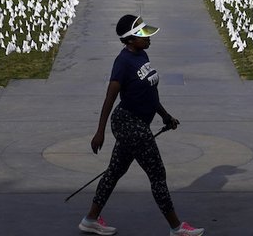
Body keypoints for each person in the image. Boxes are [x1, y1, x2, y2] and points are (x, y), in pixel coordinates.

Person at [79, 14, 204, 236]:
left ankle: (90, 219)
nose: (148, 39)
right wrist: (100, 132)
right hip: (128, 123)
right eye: (142, 35)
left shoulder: (142, 54)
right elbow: (109, 98)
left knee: (115, 171)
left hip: (138, 123)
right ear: (129, 40)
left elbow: (150, 93)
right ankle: (177, 227)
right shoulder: (123, 62)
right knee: (157, 173)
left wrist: (166, 116)